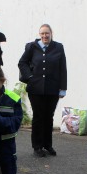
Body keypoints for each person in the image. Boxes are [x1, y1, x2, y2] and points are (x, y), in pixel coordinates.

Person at [18, 23, 67, 158]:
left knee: (48, 117)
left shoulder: (58, 47)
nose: (45, 36)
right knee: (38, 117)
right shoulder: (31, 47)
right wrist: (29, 77)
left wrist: (63, 88)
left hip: (53, 88)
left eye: (47, 33)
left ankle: (47, 145)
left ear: (51, 34)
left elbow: (63, 68)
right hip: (35, 88)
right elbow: (22, 63)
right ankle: (37, 146)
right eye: (42, 34)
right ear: (39, 35)